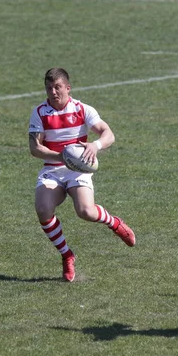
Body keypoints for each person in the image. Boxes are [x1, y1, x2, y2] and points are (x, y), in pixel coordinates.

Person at [28, 68, 135, 282]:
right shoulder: (40, 112)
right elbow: (34, 148)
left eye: (57, 87)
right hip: (53, 169)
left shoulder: (83, 109)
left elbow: (108, 133)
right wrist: (63, 156)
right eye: (49, 88)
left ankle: (114, 223)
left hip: (78, 170)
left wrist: (95, 146)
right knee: (43, 209)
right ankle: (67, 255)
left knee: (85, 211)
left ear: (68, 88)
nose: (53, 92)